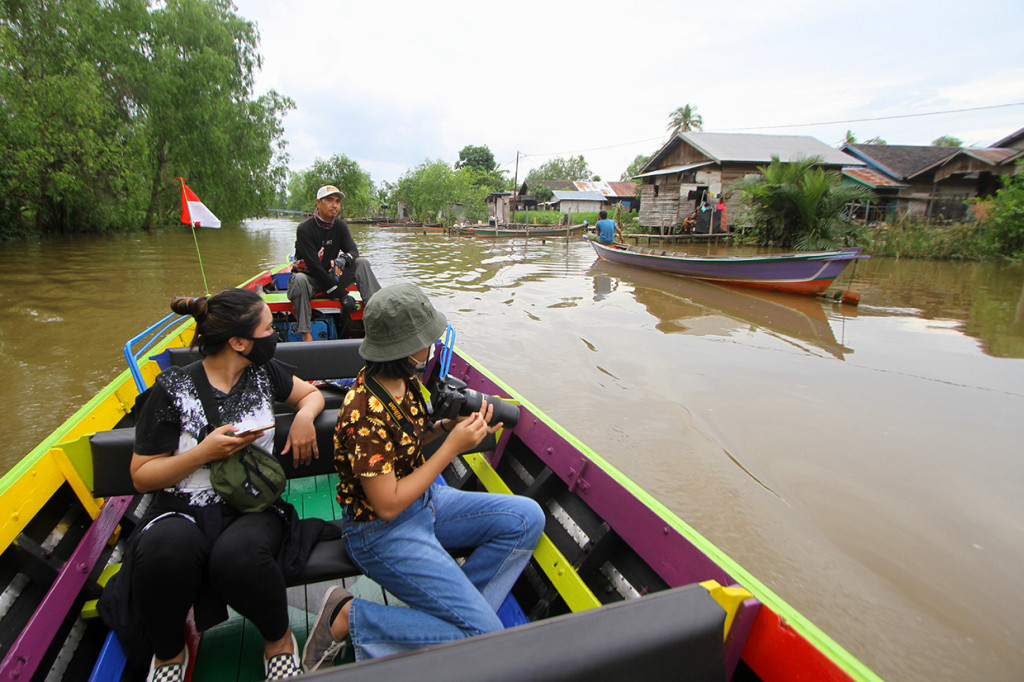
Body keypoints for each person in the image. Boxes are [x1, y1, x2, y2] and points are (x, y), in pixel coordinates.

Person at [302, 283, 545, 670]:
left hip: (425, 503)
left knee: (527, 518)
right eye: (424, 340)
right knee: (481, 637)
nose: (430, 346)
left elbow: (409, 440)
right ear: (403, 349)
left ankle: (456, 620)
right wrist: (452, 447)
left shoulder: (405, 382)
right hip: (379, 531)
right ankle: (349, 614)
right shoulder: (364, 412)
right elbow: (386, 504)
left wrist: (444, 428)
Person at [100, 288, 327, 682]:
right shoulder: (173, 388)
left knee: (239, 555)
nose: (275, 335)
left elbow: (310, 395)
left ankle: (278, 642)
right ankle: (169, 654)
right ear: (239, 342)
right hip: (181, 507)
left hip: (251, 504)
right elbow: (141, 475)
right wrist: (202, 453)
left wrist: (305, 416)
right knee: (162, 553)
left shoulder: (264, 371)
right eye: (268, 328)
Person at [288, 185, 382, 341]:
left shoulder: (340, 226)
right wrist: (340, 295)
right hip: (310, 280)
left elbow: (353, 252)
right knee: (298, 279)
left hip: (331, 276)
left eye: (338, 201)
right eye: (330, 200)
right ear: (318, 203)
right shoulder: (305, 229)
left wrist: (343, 259)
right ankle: (306, 333)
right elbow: (315, 268)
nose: (335, 205)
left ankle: (379, 316)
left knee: (362, 263)